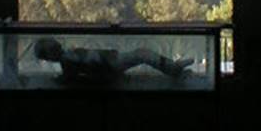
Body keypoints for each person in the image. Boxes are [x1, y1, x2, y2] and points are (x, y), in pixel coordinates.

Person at [33, 37, 193, 82]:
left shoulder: (68, 59)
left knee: (142, 54)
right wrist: (111, 74)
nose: (58, 44)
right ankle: (174, 70)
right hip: (112, 62)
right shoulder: (68, 60)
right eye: (54, 46)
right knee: (143, 54)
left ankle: (174, 69)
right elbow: (93, 67)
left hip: (112, 62)